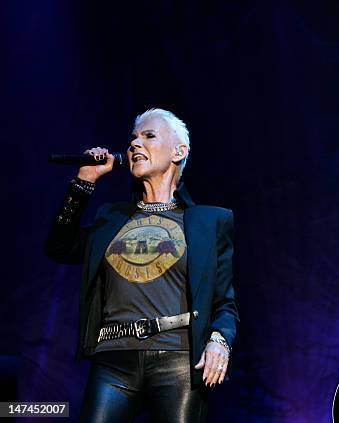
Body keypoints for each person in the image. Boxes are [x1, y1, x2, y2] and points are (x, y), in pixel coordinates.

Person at [44, 108, 239, 422]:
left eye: (148, 136)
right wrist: (83, 181)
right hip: (113, 359)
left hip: (178, 360)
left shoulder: (209, 220)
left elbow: (224, 302)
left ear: (180, 151)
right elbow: (58, 247)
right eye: (133, 137)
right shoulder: (111, 217)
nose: (135, 143)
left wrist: (219, 341)